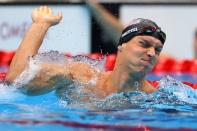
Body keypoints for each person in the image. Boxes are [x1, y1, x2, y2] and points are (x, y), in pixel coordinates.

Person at [5, 6, 166, 100]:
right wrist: (40, 24)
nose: (152, 53)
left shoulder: (155, 98)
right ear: (121, 46)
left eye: (157, 49)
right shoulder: (81, 78)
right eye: (144, 44)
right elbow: (17, 80)